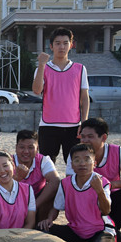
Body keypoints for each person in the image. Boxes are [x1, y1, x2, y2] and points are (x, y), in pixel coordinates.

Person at [39, 144, 117, 242]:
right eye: (77, 160)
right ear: (72, 165)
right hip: (75, 230)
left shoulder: (102, 182)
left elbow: (106, 210)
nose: (82, 163)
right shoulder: (65, 183)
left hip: (99, 230)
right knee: (43, 231)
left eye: (87, 159)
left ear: (94, 163)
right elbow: (56, 207)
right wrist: (49, 219)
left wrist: (99, 191)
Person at [66, 118, 121, 242]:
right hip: (85, 202)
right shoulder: (76, 153)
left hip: (109, 200)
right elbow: (70, 183)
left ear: (104, 138)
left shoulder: (117, 151)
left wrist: (108, 185)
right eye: (82, 136)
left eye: (90, 136)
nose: (85, 140)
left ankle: (111, 228)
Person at [32, 27, 90, 164]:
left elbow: (84, 97)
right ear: (51, 46)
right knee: (47, 165)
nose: (61, 47)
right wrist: (41, 65)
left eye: (65, 43)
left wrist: (84, 122)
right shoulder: (43, 68)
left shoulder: (80, 69)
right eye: (57, 43)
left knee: (74, 165)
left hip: (74, 125)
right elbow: (37, 90)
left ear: (71, 45)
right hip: (48, 124)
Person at [12, 130, 60, 223]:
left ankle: (41, 225)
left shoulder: (43, 160)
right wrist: (17, 177)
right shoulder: (8, 161)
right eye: (22, 147)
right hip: (15, 201)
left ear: (37, 148)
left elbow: (55, 181)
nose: (26, 152)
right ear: (16, 147)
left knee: (53, 190)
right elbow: (0, 187)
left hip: (37, 202)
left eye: (31, 147)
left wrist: (33, 206)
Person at [0, 152, 36, 229]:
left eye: (5, 165)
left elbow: (30, 222)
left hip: (19, 235)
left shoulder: (27, 189)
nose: (2, 171)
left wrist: (20, 236)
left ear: (13, 166)